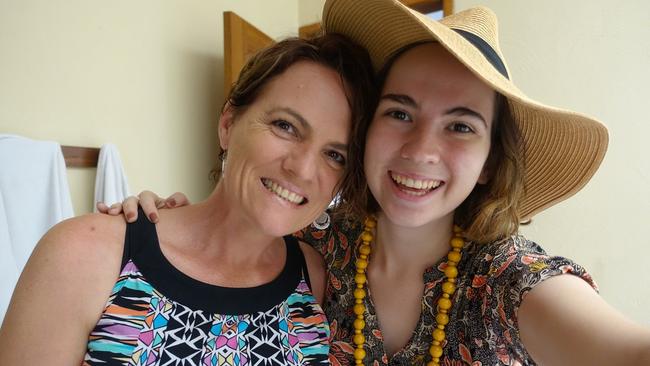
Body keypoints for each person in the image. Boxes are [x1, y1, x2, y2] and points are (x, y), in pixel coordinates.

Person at [109, 1, 650, 365]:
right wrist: (166, 217)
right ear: (366, 134)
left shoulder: (510, 281)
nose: (420, 150)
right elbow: (228, 238)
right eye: (399, 113)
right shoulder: (318, 246)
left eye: (461, 126)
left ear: (488, 162)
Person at [0, 34, 378, 365]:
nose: (303, 169)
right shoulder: (85, 256)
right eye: (285, 126)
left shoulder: (315, 276)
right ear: (228, 123)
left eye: (335, 155)